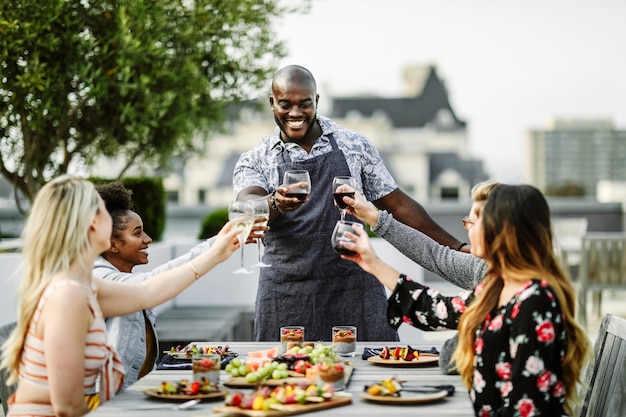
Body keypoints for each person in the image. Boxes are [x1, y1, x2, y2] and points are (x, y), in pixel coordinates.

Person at [233, 64, 466, 342]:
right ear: (272, 103)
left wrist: (458, 248)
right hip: (286, 292)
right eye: (285, 104)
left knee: (375, 375)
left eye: (304, 104)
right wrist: (274, 203)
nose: (295, 113)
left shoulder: (354, 144)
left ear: (316, 101)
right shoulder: (256, 158)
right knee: (284, 379)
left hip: (354, 287)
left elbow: (399, 205)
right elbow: (247, 206)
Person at [340, 184, 591, 416]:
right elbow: (434, 309)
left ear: (500, 229)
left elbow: (525, 407)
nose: (468, 226)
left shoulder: (535, 301)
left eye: (474, 219)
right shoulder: (496, 286)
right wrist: (371, 262)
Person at [0, 175, 240, 417]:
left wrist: (217, 251)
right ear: (92, 222)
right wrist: (215, 250)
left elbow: (147, 292)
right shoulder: (68, 294)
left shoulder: (82, 285)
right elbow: (68, 407)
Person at [94, 182, 260, 390]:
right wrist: (215, 250)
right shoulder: (99, 276)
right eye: (137, 234)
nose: (148, 239)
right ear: (113, 244)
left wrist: (218, 244)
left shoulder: (120, 276)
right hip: (103, 401)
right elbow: (151, 285)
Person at [345, 180, 499, 373]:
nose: (467, 228)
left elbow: (434, 313)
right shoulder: (490, 269)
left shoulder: (504, 287)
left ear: (495, 229)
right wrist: (372, 216)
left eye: (472, 222)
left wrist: (373, 263)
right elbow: (435, 255)